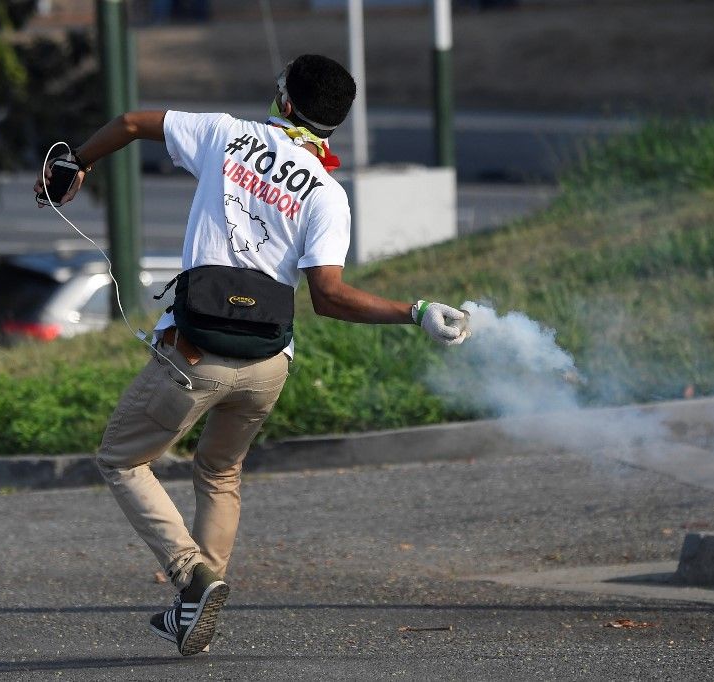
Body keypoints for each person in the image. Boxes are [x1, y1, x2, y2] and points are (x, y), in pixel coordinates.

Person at [34, 54, 469, 657]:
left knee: (121, 459)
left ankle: (192, 575)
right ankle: (193, 610)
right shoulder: (328, 194)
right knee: (220, 470)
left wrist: (75, 163)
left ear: (286, 102)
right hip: (268, 365)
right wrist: (417, 312)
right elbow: (331, 297)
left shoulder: (227, 134)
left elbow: (132, 122)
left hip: (193, 355)